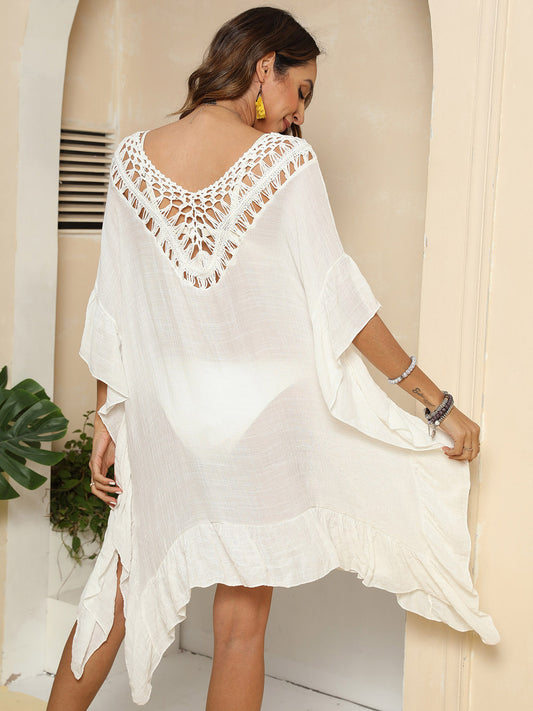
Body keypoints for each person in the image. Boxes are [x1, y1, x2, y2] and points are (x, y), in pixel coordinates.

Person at [46, 6, 499, 711]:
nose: (299, 114)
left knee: (120, 582)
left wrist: (108, 415)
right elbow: (339, 301)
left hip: (168, 416)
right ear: (265, 68)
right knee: (239, 630)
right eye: (301, 90)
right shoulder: (286, 165)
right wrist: (435, 403)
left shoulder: (132, 158)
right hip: (258, 423)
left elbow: (114, 303)